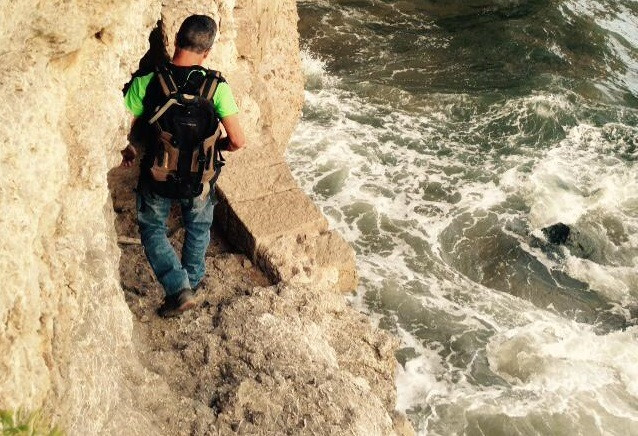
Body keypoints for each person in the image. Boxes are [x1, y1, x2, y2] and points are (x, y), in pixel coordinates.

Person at [121, 15, 245, 317]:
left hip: (158, 173)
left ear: (176, 39)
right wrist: (216, 147)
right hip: (200, 176)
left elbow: (121, 127)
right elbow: (238, 141)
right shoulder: (216, 87)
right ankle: (192, 284)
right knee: (198, 227)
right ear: (207, 52)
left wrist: (128, 150)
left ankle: (178, 289)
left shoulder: (147, 81)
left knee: (152, 227)